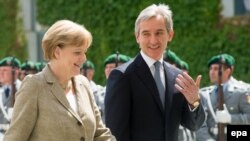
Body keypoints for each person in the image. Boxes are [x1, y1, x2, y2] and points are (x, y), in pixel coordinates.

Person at [104, 4, 205, 141]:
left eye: (159, 33)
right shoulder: (122, 76)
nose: (153, 40)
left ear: (170, 35)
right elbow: (115, 133)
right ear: (137, 37)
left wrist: (194, 102)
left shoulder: (178, 76)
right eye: (146, 33)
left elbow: (193, 125)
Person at [3, 20, 116, 141]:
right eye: (77, 52)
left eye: (84, 52)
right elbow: (15, 138)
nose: (84, 58)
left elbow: (99, 134)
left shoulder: (83, 84)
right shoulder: (34, 85)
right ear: (57, 52)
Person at [196, 53, 250, 141]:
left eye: (216, 69)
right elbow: (200, 122)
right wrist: (207, 139)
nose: (212, 72)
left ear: (228, 71)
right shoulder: (204, 94)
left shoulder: (243, 91)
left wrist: (230, 118)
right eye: (211, 69)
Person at [95, 53, 131, 123]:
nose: (108, 70)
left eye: (112, 67)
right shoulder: (97, 94)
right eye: (107, 67)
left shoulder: (135, 92)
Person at [0, 56, 21, 140]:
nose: (1, 73)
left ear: (16, 72)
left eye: (4, 70)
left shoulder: (23, 88)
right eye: (0, 70)